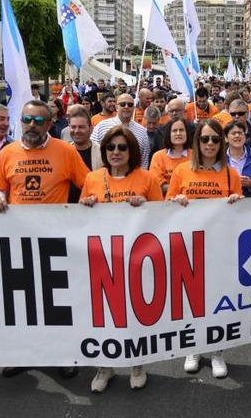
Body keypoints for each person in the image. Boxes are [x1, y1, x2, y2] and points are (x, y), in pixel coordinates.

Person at [0, 100, 88, 379]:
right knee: (22, 300)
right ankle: (24, 353)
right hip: (19, 241)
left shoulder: (66, 151)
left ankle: (64, 354)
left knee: (57, 300)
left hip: (57, 240)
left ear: (50, 124)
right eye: (27, 119)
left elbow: (88, 184)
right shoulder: (8, 153)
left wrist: (87, 206)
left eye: (39, 121)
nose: (32, 125)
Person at [80, 126, 161, 393]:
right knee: (105, 315)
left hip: (137, 260)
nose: (116, 152)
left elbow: (164, 220)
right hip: (102, 259)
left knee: (135, 314)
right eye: (111, 148)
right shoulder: (92, 178)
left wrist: (146, 208)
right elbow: (79, 220)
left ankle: (137, 363)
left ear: (132, 151)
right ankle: (106, 365)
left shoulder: (146, 179)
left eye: (122, 147)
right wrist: (87, 204)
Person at [167, 119, 243, 379]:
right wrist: (176, 202)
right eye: (204, 139)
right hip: (189, 246)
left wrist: (237, 202)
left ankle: (217, 350)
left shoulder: (230, 174)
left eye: (215, 139)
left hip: (220, 247)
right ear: (196, 142)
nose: (210, 144)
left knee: (218, 301)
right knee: (192, 300)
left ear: (221, 143)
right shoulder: (181, 171)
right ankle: (193, 347)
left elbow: (239, 215)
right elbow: (166, 210)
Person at [91, 93, 151, 169]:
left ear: (134, 108)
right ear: (116, 107)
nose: (126, 107)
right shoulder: (101, 126)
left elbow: (144, 160)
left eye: (130, 104)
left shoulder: (142, 131)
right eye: (122, 104)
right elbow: (93, 152)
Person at [150, 119, 193, 196]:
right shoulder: (158, 157)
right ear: (168, 134)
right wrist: (183, 188)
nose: (178, 133)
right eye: (174, 131)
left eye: (181, 130)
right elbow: (157, 186)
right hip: (164, 204)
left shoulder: (195, 156)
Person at [225, 121, 251, 197]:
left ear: (245, 136)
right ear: (226, 138)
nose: (237, 136)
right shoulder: (220, 160)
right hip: (227, 205)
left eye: (240, 133)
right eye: (233, 133)